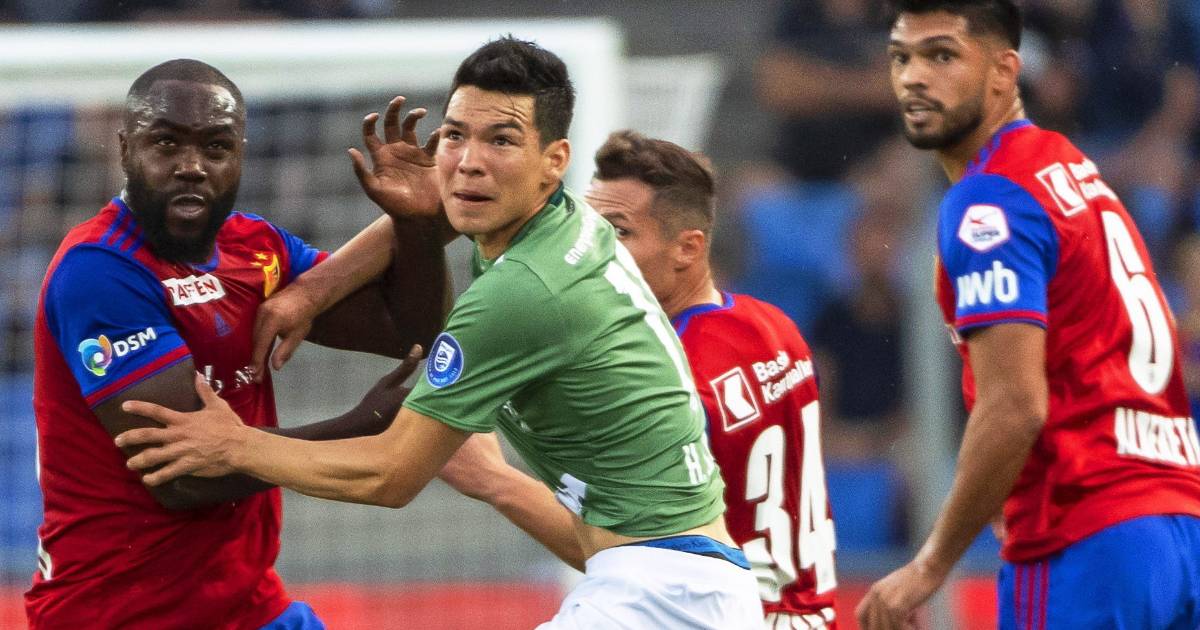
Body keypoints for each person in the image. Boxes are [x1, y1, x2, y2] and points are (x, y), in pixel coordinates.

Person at [114, 38, 764, 629]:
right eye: (455, 136)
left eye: (501, 141)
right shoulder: (561, 222)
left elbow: (390, 476)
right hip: (673, 580)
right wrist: (314, 289)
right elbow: (443, 211)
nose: (469, 164)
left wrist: (237, 445)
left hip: (663, 600)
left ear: (554, 161)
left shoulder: (522, 292)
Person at [25, 59, 449, 629]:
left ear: (241, 155)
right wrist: (359, 426)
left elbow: (409, 332)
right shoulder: (100, 271)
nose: (192, 166)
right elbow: (182, 475)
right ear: (125, 149)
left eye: (216, 147)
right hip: (120, 614)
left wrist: (417, 228)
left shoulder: (255, 246)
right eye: (166, 143)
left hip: (248, 602)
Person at [856, 1, 1200, 628]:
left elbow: (1016, 405)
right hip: (1175, 523)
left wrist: (929, 566)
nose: (914, 77)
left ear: (1004, 71)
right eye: (900, 58)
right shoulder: (1067, 167)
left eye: (942, 55)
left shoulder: (991, 200)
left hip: (1084, 534)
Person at [585, 130, 839, 628]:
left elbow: (619, 553)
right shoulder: (774, 325)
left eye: (618, 232)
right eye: (589, 230)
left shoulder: (671, 380)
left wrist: (494, 480)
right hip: (810, 613)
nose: (594, 251)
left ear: (688, 247)